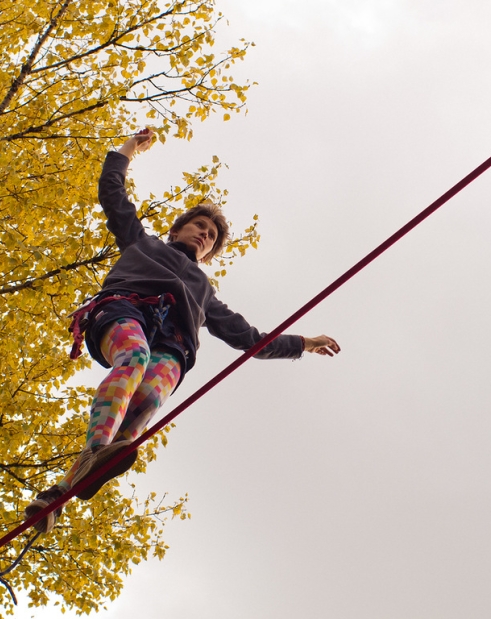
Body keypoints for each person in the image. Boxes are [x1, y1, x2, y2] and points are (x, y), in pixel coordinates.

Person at [25, 129, 340, 532]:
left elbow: (250, 340)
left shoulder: (204, 293)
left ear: (209, 253)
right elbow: (112, 194)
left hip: (174, 347)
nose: (204, 233)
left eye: (211, 235)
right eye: (199, 226)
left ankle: (60, 495)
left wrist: (302, 344)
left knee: (143, 408)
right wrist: (127, 151)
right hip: (126, 312)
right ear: (177, 231)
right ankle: (94, 450)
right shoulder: (143, 245)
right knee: (134, 357)